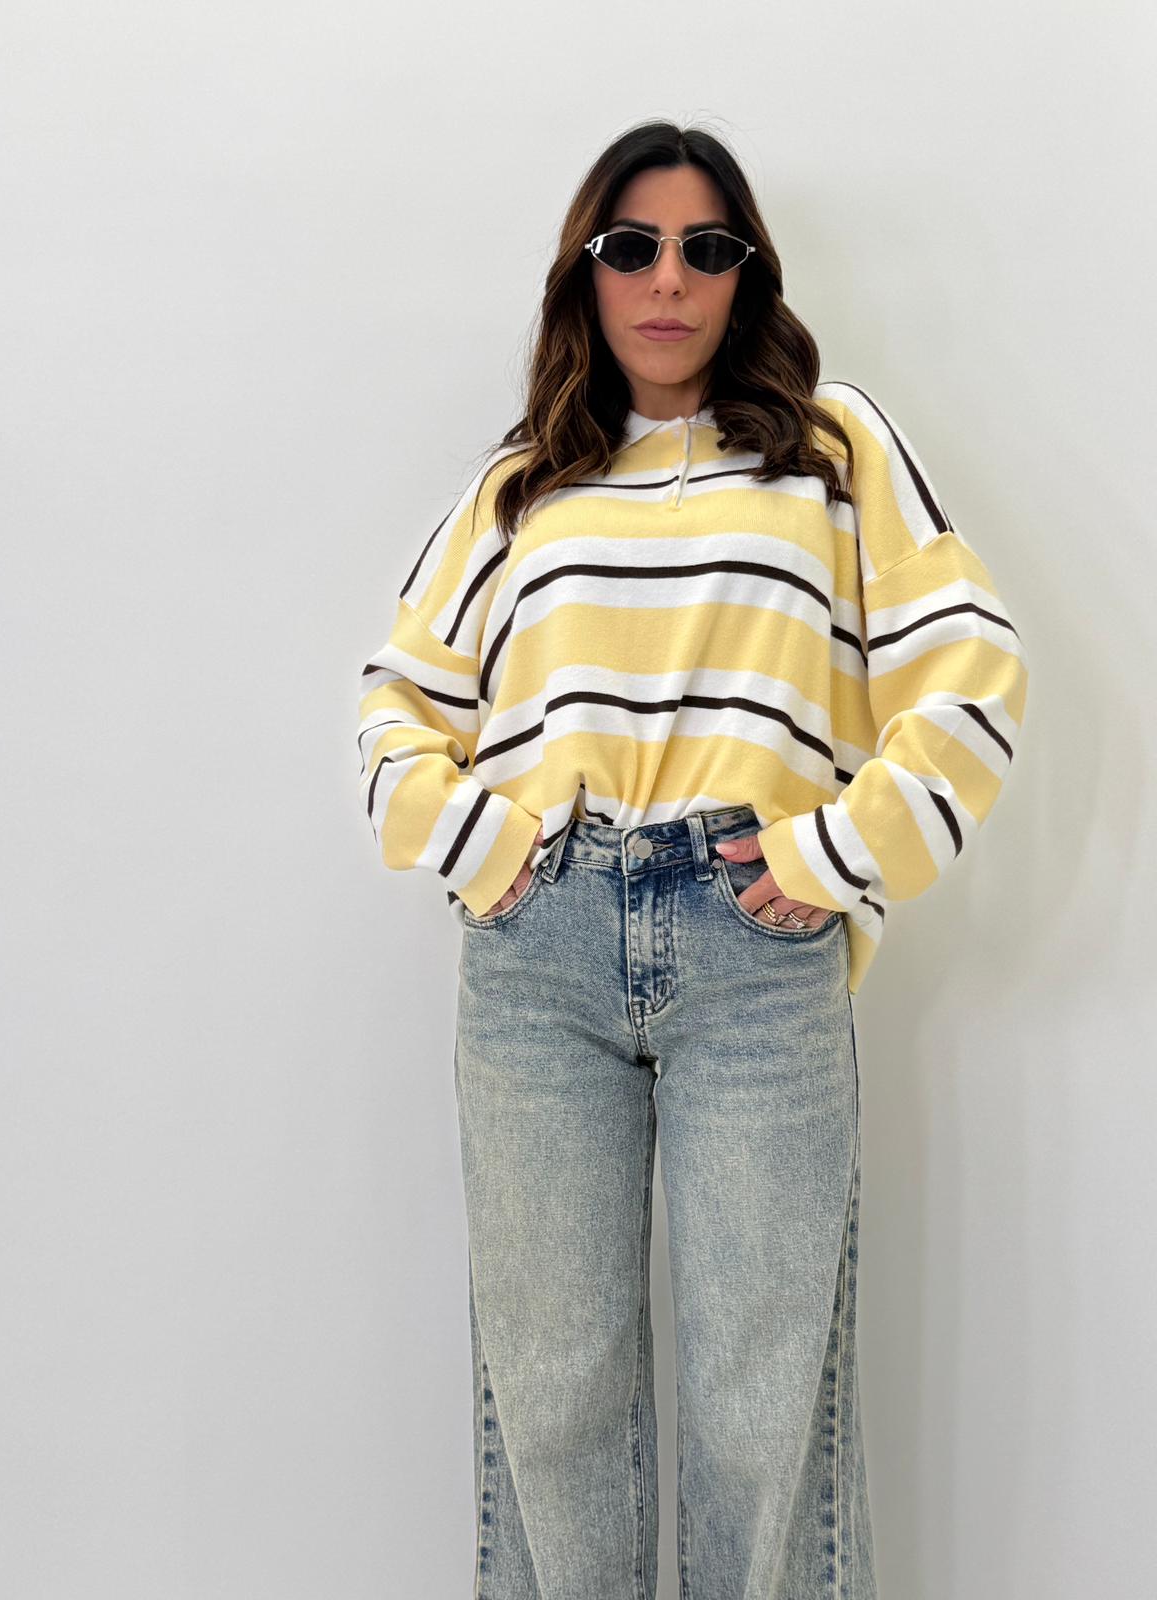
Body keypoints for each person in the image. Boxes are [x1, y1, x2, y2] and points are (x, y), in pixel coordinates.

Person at [354, 119, 1028, 1600]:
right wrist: (486, 846)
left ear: (746, 274)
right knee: (552, 1399)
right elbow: (397, 702)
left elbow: (974, 673)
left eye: (705, 248)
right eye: (633, 247)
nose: (669, 280)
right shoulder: (525, 485)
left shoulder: (831, 447)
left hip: (756, 947)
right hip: (539, 953)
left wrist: (841, 852)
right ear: (585, 274)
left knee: (762, 1409)